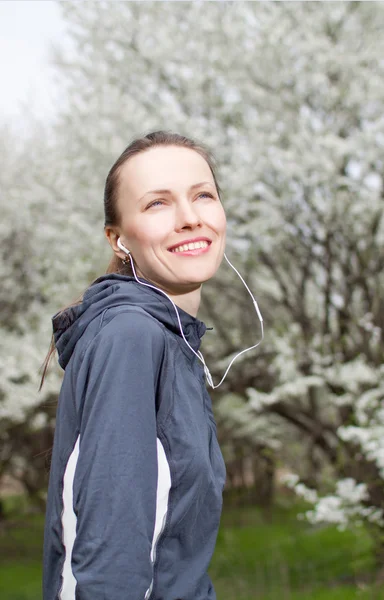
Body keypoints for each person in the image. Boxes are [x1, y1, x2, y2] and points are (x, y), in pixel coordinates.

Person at [40, 131, 261, 600]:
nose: (190, 218)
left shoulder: (169, 337)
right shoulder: (130, 337)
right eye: (157, 204)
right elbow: (108, 552)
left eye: (203, 195)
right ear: (118, 238)